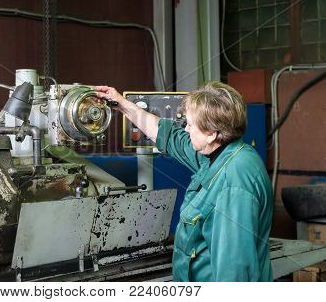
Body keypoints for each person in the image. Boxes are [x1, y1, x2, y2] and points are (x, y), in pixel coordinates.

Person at [94, 82, 273, 282]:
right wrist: (122, 104)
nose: (186, 129)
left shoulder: (234, 182)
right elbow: (170, 137)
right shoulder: (221, 153)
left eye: (190, 124)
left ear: (211, 133)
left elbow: (235, 271)